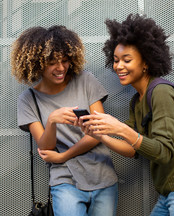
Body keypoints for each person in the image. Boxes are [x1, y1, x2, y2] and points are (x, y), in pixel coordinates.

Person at [80, 14, 174, 215]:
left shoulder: (161, 92)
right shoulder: (137, 100)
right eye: (116, 60)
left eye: (127, 60)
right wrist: (100, 136)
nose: (118, 66)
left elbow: (162, 152)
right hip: (171, 189)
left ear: (146, 62)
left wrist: (120, 128)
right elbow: (133, 149)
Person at [11, 25, 118, 216]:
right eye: (52, 62)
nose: (60, 68)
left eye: (65, 60)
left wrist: (63, 156)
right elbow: (45, 149)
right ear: (37, 63)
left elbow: (100, 132)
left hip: (102, 176)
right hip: (65, 180)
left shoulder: (85, 80)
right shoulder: (28, 100)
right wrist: (52, 121)